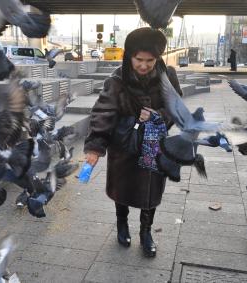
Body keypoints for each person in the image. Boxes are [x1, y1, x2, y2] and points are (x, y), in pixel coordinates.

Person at [83, 27, 182, 257]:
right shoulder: (117, 80)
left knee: (150, 192)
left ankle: (146, 233)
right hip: (124, 144)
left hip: (153, 145)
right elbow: (103, 113)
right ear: (129, 56)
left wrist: (157, 115)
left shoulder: (167, 76)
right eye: (139, 60)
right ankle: (122, 224)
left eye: (150, 60)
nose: (144, 65)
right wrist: (95, 147)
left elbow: (176, 108)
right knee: (123, 188)